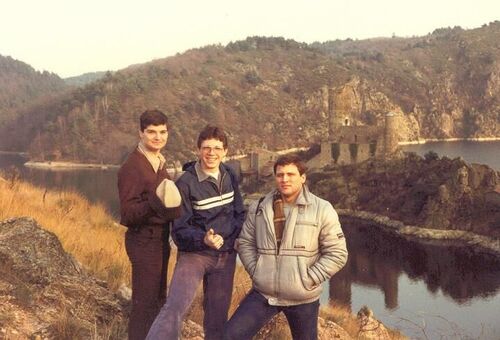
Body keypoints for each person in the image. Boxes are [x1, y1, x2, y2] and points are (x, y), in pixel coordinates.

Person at [224, 154, 348, 340]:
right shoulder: (260, 207)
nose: (285, 179)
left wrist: (309, 278)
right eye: (280, 175)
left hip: (303, 298)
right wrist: (257, 271)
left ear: (303, 178)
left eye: (291, 174)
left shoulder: (322, 209)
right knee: (229, 336)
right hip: (264, 294)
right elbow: (246, 242)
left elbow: (337, 253)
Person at [146, 125, 246, 340]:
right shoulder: (185, 183)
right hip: (195, 255)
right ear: (198, 150)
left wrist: (227, 236)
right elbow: (179, 230)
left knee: (217, 318)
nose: (212, 153)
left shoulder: (229, 174)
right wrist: (204, 239)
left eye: (217, 148)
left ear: (225, 151)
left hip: (226, 255)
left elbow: (239, 213)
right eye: (206, 148)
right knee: (174, 308)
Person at [117, 109, 182, 340]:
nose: (158, 137)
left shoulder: (158, 162)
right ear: (141, 133)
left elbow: (166, 204)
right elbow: (128, 214)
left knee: (158, 300)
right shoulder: (133, 166)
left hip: (160, 239)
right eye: (152, 132)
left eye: (163, 132)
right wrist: (157, 202)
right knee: (144, 305)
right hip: (143, 240)